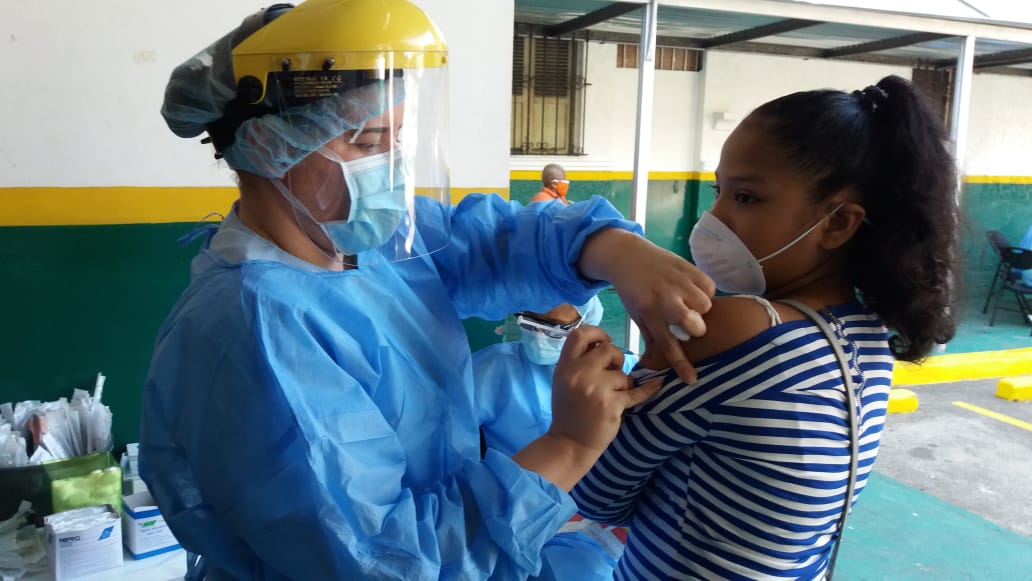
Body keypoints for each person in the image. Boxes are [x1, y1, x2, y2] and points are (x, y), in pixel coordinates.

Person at [139, 1, 714, 579]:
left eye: (398, 141)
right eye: (367, 144)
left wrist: (619, 250)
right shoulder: (258, 329)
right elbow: (384, 561)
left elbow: (493, 240)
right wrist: (568, 446)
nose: (390, 168)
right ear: (270, 146)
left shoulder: (370, 242)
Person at [571, 75, 959, 580]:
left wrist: (595, 392)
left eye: (747, 197)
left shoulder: (735, 329)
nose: (714, 218)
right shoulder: (868, 336)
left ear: (838, 223)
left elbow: (599, 494)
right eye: (719, 191)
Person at [473, 296, 635, 581]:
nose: (539, 337)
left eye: (555, 328)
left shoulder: (626, 374)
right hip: (520, 513)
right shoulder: (493, 368)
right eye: (529, 323)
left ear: (587, 323)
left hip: (606, 525)